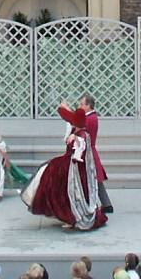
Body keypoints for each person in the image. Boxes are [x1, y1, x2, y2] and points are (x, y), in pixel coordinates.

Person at [21, 97, 107, 231]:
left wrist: (73, 139)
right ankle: (71, 214)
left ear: (89, 106)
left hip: (76, 170)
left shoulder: (85, 128)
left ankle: (72, 216)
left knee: (69, 191)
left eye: (82, 103)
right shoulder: (81, 129)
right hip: (78, 168)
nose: (80, 105)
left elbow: (77, 156)